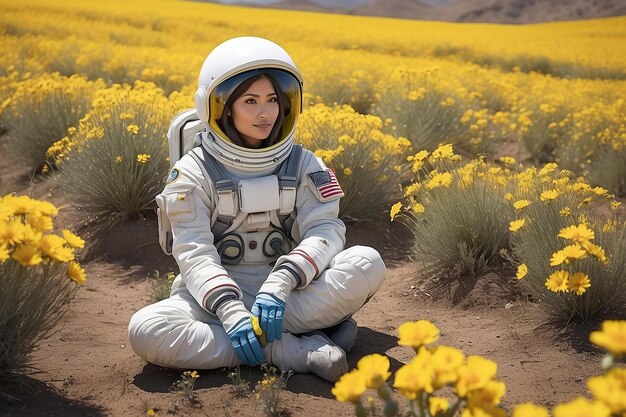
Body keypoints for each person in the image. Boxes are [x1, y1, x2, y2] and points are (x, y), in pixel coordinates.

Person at [128, 37, 386, 382]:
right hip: (214, 303)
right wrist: (229, 308)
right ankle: (288, 350)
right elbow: (194, 250)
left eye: (272, 100)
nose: (265, 113)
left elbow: (325, 229)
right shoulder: (193, 171)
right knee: (146, 330)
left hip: (288, 296)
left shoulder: (305, 164)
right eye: (250, 101)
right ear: (220, 107)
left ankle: (276, 337)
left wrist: (281, 281)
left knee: (367, 263)